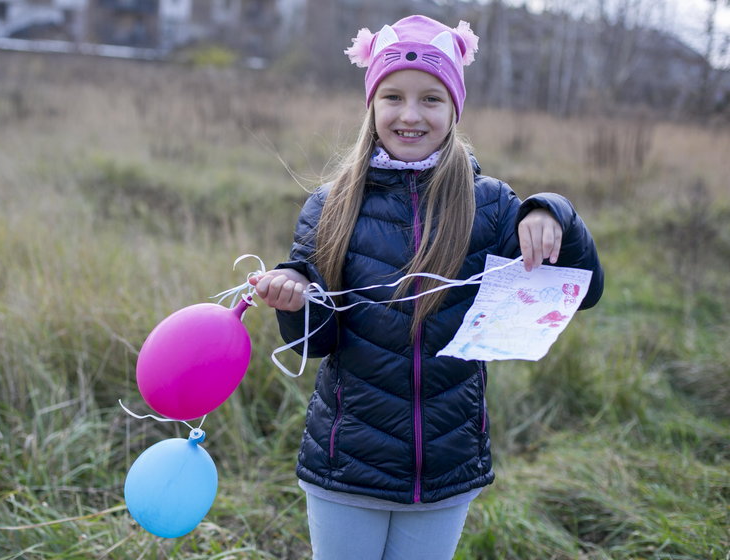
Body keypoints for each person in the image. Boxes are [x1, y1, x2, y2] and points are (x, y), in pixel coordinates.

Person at [249, 14, 604, 560]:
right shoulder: (330, 205)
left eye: (431, 100)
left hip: (446, 467)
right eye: (393, 96)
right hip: (347, 464)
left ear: (454, 109)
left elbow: (586, 290)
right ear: (371, 105)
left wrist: (555, 214)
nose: (410, 115)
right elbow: (313, 342)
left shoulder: (491, 205)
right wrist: (293, 293)